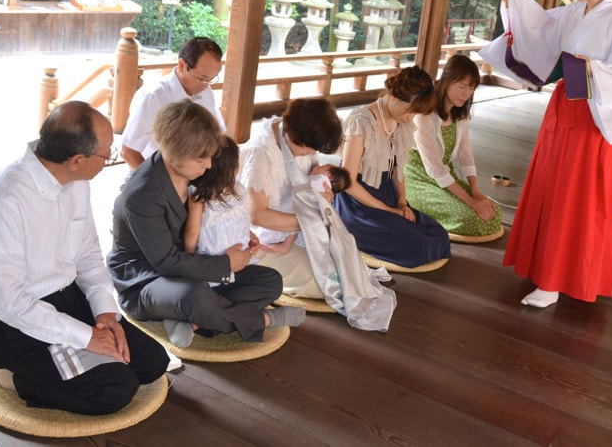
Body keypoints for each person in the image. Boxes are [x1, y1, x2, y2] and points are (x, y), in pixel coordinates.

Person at [0, 101, 169, 415]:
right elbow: (10, 303)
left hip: (67, 300)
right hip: (6, 325)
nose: (109, 158)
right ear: (76, 160)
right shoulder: (4, 198)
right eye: (106, 153)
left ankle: (73, 361)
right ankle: (12, 378)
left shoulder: (77, 182)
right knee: (116, 387)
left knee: (152, 362)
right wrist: (87, 338)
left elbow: (88, 255)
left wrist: (104, 314)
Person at [486, 0, 612, 308]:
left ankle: (556, 279)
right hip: (563, 109)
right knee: (549, 186)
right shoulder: (574, 12)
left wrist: (589, 68)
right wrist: (511, 0)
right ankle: (542, 266)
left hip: (592, 116)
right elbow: (537, 28)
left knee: (575, 198)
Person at [108, 100, 302, 349]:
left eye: (210, 157)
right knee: (194, 296)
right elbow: (166, 263)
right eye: (202, 159)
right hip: (149, 281)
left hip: (194, 269)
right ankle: (261, 319)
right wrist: (225, 264)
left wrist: (242, 233)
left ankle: (190, 320)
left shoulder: (193, 171)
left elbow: (215, 217)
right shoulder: (142, 195)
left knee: (270, 280)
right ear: (176, 151)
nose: (209, 165)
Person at [241, 98, 396, 331]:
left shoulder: (299, 140)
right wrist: (309, 222)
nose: (313, 154)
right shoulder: (262, 153)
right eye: (310, 148)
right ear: (296, 135)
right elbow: (257, 216)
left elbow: (307, 187)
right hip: (262, 241)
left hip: (294, 227)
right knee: (332, 282)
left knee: (345, 262)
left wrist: (321, 201)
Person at [335, 66, 451, 268]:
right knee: (419, 246)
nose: (410, 117)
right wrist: (388, 210)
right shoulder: (360, 122)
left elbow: (398, 170)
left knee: (439, 235)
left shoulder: (401, 123)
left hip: (387, 195)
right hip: (358, 204)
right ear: (395, 95)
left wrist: (401, 203)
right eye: (409, 111)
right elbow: (348, 182)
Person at [404, 54, 503, 242]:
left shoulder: (459, 114)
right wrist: (470, 202)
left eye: (471, 88)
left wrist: (475, 191)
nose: (466, 94)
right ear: (447, 82)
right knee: (469, 217)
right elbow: (434, 167)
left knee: (493, 213)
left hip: (446, 178)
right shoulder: (425, 113)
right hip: (417, 180)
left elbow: (466, 154)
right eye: (462, 86)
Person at [120, 37, 225, 171]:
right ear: (182, 65)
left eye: (210, 80)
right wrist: (155, 183)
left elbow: (218, 135)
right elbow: (128, 151)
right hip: (154, 172)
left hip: (193, 173)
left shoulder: (205, 91)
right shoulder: (153, 96)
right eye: (201, 78)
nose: (205, 85)